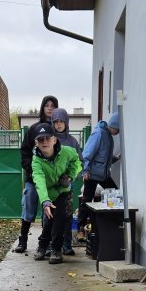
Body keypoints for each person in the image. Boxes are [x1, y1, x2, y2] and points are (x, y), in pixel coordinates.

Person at [30, 122, 81, 265]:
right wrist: (45, 201)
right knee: (48, 222)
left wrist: (70, 176)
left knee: (59, 218)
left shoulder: (66, 151)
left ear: (54, 139)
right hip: (48, 193)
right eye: (41, 139)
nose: (44, 142)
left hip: (63, 190)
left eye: (48, 138)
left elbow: (77, 161)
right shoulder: (36, 160)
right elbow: (39, 180)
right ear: (36, 143)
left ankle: (56, 250)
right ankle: (42, 246)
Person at [14, 95, 59, 253]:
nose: (49, 108)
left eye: (53, 106)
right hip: (33, 179)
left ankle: (46, 243)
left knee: (49, 212)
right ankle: (23, 240)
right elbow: (25, 151)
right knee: (28, 208)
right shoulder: (33, 129)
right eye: (47, 105)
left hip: (52, 181)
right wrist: (31, 169)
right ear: (42, 107)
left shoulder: (57, 130)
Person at [78, 111, 120, 241]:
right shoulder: (99, 134)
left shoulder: (108, 136)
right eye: (118, 129)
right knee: (86, 200)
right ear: (113, 125)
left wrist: (115, 158)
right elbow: (87, 154)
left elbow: (104, 157)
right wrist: (85, 171)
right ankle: (80, 230)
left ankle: (113, 224)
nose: (118, 132)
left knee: (115, 194)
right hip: (91, 174)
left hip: (103, 174)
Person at [50, 108, 82, 256]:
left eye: (61, 121)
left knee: (67, 214)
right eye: (56, 121)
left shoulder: (72, 141)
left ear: (66, 122)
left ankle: (67, 244)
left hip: (68, 184)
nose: (59, 124)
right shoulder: (49, 139)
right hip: (51, 185)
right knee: (50, 214)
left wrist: (70, 177)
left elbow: (79, 162)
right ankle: (50, 245)